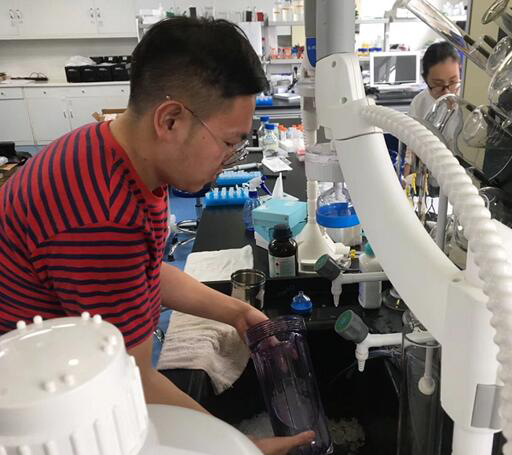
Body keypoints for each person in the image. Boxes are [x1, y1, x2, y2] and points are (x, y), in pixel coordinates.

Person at [0, 17, 313, 455]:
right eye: (229, 143)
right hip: (43, 412)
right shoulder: (101, 218)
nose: (230, 159)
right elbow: (133, 382)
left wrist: (238, 313)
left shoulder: (118, 152)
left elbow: (145, 270)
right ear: (170, 121)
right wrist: (240, 447)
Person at [409, 41, 462, 120]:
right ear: (425, 79)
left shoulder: (468, 97)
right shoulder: (419, 103)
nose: (447, 93)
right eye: (438, 84)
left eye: (453, 81)